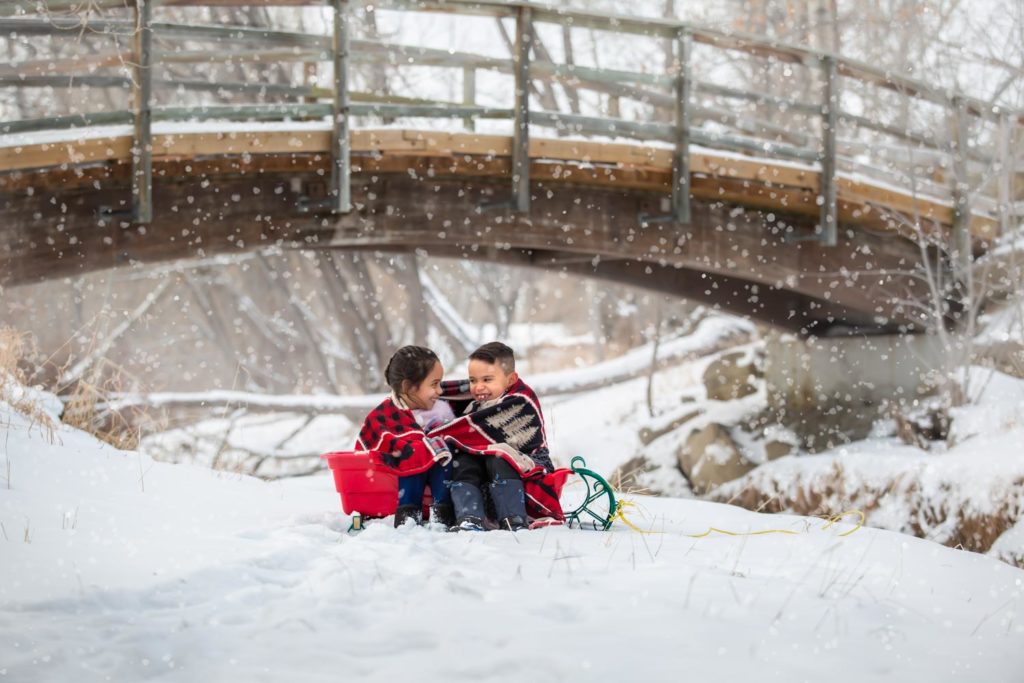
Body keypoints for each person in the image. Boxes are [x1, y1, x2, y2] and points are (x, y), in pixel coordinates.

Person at [438, 342, 555, 532]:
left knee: (499, 457)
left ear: (510, 379)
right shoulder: (476, 405)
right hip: (486, 463)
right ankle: (469, 517)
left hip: (527, 460)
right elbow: (465, 425)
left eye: (487, 379)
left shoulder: (520, 400)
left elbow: (468, 428)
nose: (478, 387)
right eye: (473, 380)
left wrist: (437, 435)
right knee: (464, 460)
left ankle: (513, 518)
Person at [355, 345, 456, 528]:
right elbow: (364, 456)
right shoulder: (385, 415)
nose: (440, 391)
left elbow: (456, 434)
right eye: (434, 384)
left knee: (442, 449)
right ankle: (408, 514)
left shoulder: (441, 409)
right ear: (408, 387)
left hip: (439, 478)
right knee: (410, 451)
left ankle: (442, 513)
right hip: (395, 489)